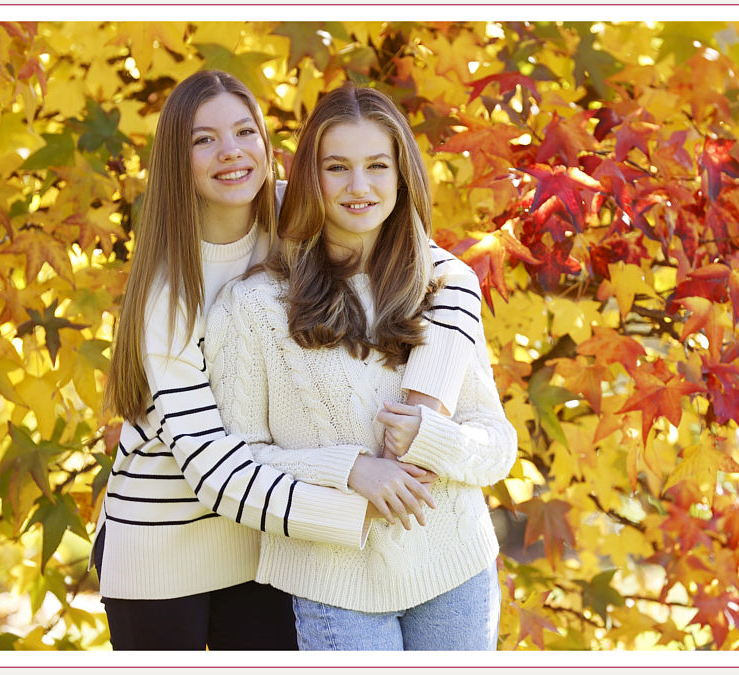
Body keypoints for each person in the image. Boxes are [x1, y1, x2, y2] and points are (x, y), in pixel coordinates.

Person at [94, 71, 483, 650]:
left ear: (268, 145)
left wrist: (426, 399)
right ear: (178, 160)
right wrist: (353, 501)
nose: (230, 152)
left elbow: (444, 272)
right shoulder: (169, 295)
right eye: (204, 139)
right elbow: (213, 468)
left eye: (244, 130)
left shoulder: (293, 214)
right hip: (166, 544)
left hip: (268, 541)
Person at [204, 83, 517, 651]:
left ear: (402, 176)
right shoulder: (254, 308)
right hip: (332, 580)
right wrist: (351, 471)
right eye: (337, 167)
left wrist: (434, 438)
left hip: (454, 568)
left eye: (377, 165)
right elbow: (238, 462)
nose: (359, 186)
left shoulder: (443, 290)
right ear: (310, 179)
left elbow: (497, 444)